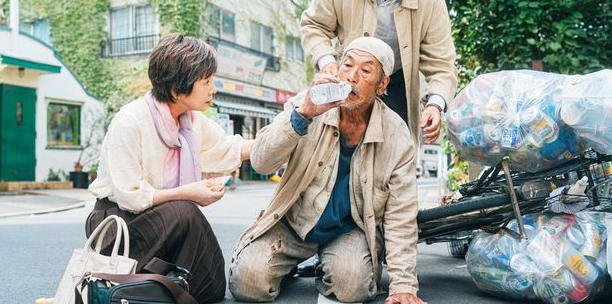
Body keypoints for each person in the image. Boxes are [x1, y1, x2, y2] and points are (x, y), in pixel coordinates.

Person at [229, 37, 426, 304]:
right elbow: (262, 162)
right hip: (294, 223)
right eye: (347, 65)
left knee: (352, 287)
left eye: (366, 71)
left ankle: (329, 265)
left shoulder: (397, 135)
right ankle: (293, 265)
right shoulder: (307, 104)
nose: (352, 76)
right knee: (248, 284)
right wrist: (302, 115)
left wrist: (404, 287)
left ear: (382, 85)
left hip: (349, 230)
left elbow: (401, 215)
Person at [87, 34, 253, 303]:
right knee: (185, 211)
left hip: (165, 219)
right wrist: (189, 192)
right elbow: (130, 196)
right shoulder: (130, 120)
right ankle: (145, 288)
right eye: (206, 82)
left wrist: (293, 129)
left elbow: (229, 148)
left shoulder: (190, 121)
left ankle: (154, 289)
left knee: (211, 287)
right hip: (117, 223)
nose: (213, 88)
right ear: (177, 90)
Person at [301, 0, 457, 148]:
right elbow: (314, 25)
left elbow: (442, 64)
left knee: (395, 147)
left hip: (396, 80)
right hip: (346, 76)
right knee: (333, 144)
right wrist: (327, 62)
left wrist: (435, 104)